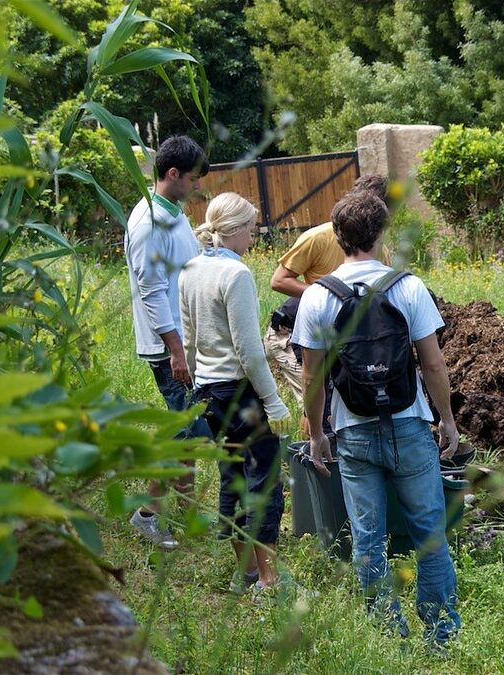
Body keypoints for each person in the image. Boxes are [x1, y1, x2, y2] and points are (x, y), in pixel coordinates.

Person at [293, 190, 461, 647]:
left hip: (353, 430)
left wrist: (318, 433)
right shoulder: (407, 287)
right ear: (380, 234)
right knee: (429, 534)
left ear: (338, 236)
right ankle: (442, 634)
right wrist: (446, 419)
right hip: (409, 423)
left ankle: (390, 634)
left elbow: (313, 377)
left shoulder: (317, 298)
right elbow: (432, 364)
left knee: (368, 539)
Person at [179, 192, 295, 600]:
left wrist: (197, 383)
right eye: (250, 227)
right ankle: (269, 580)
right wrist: (274, 400)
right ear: (231, 230)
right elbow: (249, 350)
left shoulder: (190, 268)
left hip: (209, 390)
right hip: (241, 390)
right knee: (262, 478)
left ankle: (244, 572)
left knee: (231, 477)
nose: (254, 234)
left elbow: (189, 338)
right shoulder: (236, 275)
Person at [125, 135, 213, 549]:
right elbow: (151, 291)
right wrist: (176, 350)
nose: (198, 187)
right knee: (183, 433)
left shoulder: (172, 211)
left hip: (186, 340)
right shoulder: (147, 224)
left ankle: (189, 511)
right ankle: (146, 514)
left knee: (191, 432)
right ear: (172, 174)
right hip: (168, 347)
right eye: (193, 179)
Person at [264, 175, 390, 435]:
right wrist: (326, 294)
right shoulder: (319, 237)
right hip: (290, 332)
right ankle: (309, 461)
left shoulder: (380, 251)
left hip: (338, 338)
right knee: (316, 403)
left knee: (337, 402)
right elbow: (278, 280)